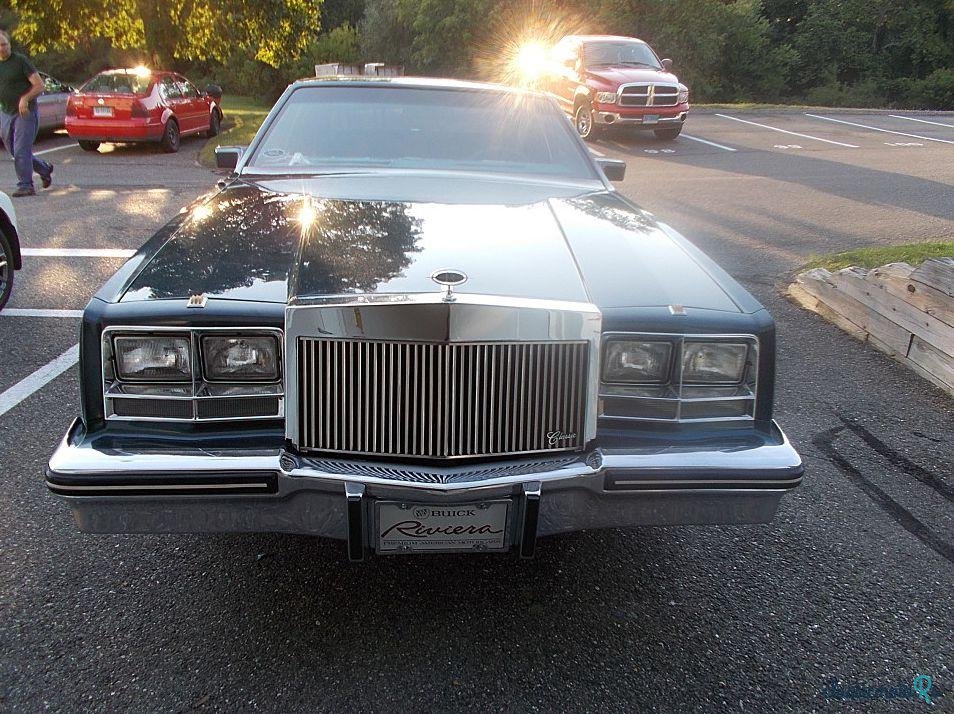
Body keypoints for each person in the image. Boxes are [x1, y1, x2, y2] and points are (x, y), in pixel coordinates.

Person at [0, 29, 52, 197]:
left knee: (22, 149)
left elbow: (39, 85)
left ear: (9, 44)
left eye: (5, 44)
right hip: (6, 111)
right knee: (14, 150)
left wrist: (25, 98)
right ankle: (44, 168)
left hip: (25, 112)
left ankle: (26, 185)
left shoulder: (20, 61)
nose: (3, 48)